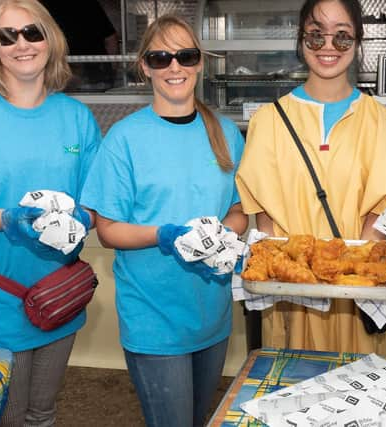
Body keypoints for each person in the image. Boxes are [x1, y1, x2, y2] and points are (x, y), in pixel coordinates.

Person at [0, 0, 101, 424]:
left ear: (51, 38)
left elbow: (94, 202)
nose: (21, 44)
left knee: (41, 414)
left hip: (57, 298)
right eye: (5, 36)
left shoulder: (76, 118)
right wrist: (6, 219)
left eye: (32, 32)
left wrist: (83, 218)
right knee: (2, 418)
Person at [80, 14, 246, 427]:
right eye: (161, 58)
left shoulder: (227, 133)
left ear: (200, 63)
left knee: (198, 417)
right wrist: (164, 235)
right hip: (153, 317)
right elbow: (108, 228)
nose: (175, 67)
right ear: (144, 67)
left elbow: (241, 211)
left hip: (212, 313)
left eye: (186, 56)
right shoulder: (124, 139)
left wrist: (219, 235)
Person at [235, 0, 386, 354]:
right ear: (301, 41)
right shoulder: (269, 121)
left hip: (357, 298)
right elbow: (266, 222)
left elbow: (382, 215)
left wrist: (343, 280)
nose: (329, 47)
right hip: (290, 301)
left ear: (358, 41)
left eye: (342, 37)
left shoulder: (380, 121)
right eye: (316, 35)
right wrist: (290, 281)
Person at [39, 0, 119, 90]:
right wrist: (111, 71)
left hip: (68, 77)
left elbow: (111, 39)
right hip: (94, 76)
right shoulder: (88, 4)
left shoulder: (40, 7)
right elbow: (111, 39)